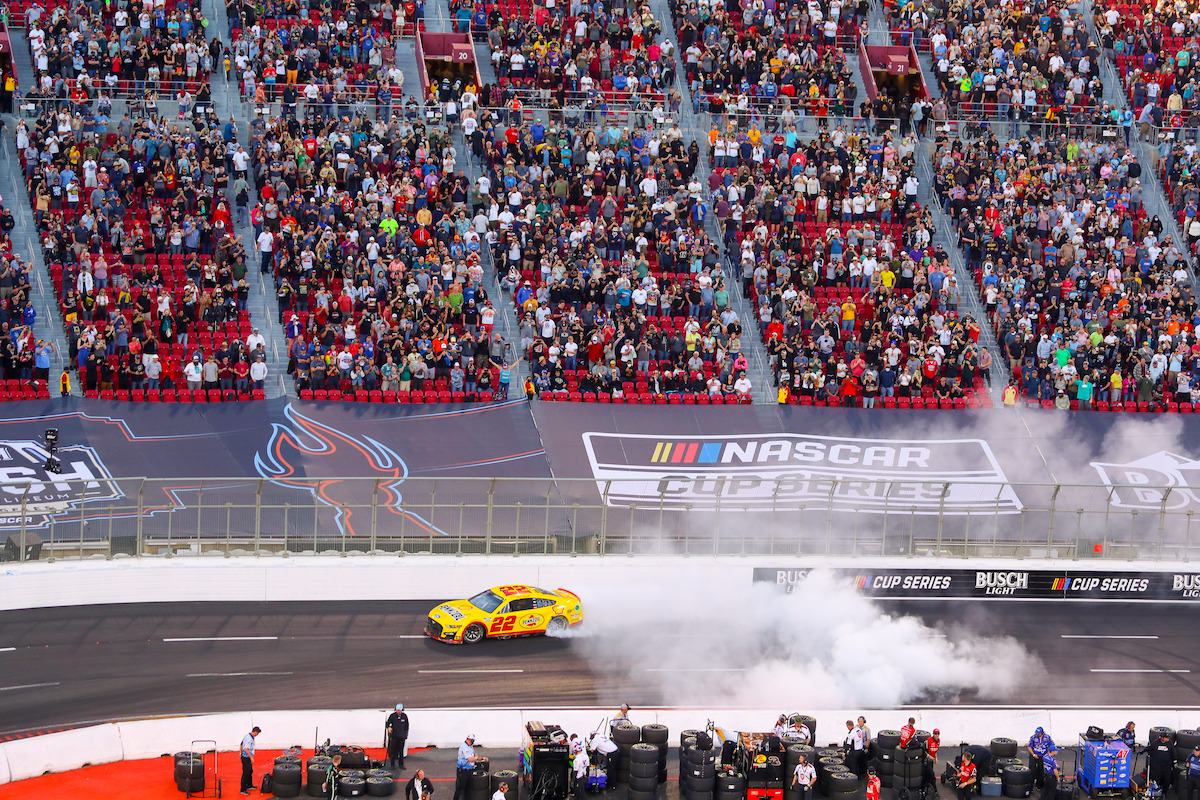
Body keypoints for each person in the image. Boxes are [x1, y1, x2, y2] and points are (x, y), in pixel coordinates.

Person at [386, 703, 410, 771]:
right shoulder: (392, 716)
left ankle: (401, 764)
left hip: (401, 737)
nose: (398, 711)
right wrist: (389, 727)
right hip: (394, 737)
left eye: (399, 710)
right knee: (393, 751)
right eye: (397, 710)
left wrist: (405, 735)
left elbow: (406, 727)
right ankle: (392, 765)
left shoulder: (404, 716)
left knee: (401, 751)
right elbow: (387, 723)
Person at [454, 734, 480, 800]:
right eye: (472, 740)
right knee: (460, 788)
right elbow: (470, 759)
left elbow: (474, 755)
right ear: (469, 739)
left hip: (469, 770)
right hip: (463, 770)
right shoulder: (464, 747)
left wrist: (480, 758)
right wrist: (476, 758)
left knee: (468, 788)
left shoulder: (470, 746)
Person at [240, 726, 260, 795]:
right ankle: (243, 789)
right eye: (257, 733)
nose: (257, 735)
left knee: (250, 771)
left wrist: (240, 753)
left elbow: (241, 744)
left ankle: (249, 785)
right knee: (246, 773)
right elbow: (246, 749)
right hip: (246, 757)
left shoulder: (247, 736)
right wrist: (251, 757)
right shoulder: (249, 739)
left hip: (245, 756)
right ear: (255, 732)